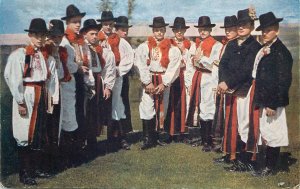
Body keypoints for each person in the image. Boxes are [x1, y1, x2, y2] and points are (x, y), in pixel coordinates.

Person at [4, 18, 57, 185]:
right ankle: (24, 173)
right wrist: (20, 101)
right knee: (24, 133)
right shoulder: (19, 55)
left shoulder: (41, 55)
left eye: (43, 36)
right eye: (38, 35)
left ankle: (35, 168)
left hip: (39, 94)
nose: (41, 39)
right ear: (31, 35)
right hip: (27, 94)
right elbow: (13, 78)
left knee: (37, 133)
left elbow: (46, 77)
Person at [218, 8, 261, 172]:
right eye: (239, 24)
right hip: (229, 89)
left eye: (245, 24)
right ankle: (232, 155)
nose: (241, 27)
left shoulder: (254, 46)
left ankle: (245, 159)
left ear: (251, 25)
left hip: (244, 89)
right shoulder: (231, 44)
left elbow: (246, 70)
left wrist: (227, 82)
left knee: (244, 124)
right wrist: (222, 81)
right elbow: (223, 64)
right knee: (230, 123)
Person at [251, 12, 293, 177]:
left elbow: (283, 81)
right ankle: (268, 164)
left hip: (273, 101)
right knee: (267, 132)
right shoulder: (266, 49)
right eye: (263, 31)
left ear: (277, 31)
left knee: (274, 132)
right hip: (264, 98)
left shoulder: (281, 52)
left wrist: (272, 104)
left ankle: (270, 167)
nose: (264, 33)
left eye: (268, 30)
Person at [135, 16, 181, 150]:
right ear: (153, 30)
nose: (159, 32)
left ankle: (158, 135)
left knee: (163, 107)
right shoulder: (145, 46)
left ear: (165, 30)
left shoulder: (172, 48)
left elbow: (174, 67)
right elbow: (140, 64)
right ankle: (148, 139)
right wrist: (147, 82)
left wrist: (165, 83)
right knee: (147, 106)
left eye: (161, 30)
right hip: (149, 78)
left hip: (162, 79)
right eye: (156, 30)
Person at [60, 4, 92, 167]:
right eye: (75, 22)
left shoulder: (80, 40)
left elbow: (85, 58)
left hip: (80, 79)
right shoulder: (65, 40)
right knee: (70, 115)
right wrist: (78, 68)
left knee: (81, 113)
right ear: (67, 23)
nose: (78, 25)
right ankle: (69, 154)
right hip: (69, 79)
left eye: (79, 21)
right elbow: (67, 63)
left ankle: (78, 150)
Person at [97, 13, 134, 151]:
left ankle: (119, 137)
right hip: (100, 77)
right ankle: (94, 140)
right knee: (100, 106)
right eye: (105, 24)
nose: (108, 27)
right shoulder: (96, 38)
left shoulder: (119, 40)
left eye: (111, 24)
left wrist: (119, 70)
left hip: (117, 76)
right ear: (102, 24)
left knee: (117, 105)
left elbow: (128, 57)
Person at [80, 19, 116, 156]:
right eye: (91, 34)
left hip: (98, 82)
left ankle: (93, 142)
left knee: (95, 113)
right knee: (85, 113)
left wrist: (108, 87)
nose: (94, 37)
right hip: (85, 82)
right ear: (85, 34)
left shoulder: (104, 51)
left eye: (96, 34)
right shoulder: (81, 49)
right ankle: (83, 142)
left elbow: (110, 70)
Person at [187, 16, 223, 152]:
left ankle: (210, 140)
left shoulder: (216, 45)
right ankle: (204, 139)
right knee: (200, 106)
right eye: (201, 29)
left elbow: (214, 62)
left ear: (210, 29)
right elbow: (192, 60)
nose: (202, 32)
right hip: (198, 75)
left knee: (208, 106)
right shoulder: (196, 44)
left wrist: (201, 58)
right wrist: (195, 60)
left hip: (209, 76)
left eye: (205, 29)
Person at [44, 19, 70, 173]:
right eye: (53, 36)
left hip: (58, 90)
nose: (56, 39)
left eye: (59, 36)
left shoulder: (61, 52)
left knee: (56, 127)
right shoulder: (44, 53)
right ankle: (45, 163)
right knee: (47, 127)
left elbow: (62, 74)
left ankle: (55, 161)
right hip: (46, 92)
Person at [212, 15, 238, 161]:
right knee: (222, 116)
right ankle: (224, 148)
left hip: (233, 86)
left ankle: (231, 152)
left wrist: (226, 82)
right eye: (226, 29)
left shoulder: (236, 45)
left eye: (231, 29)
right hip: (223, 84)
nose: (228, 32)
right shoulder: (227, 44)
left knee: (231, 119)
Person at [165, 17, 192, 142]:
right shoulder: (168, 43)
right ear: (174, 31)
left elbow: (191, 63)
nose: (179, 32)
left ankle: (182, 132)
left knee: (182, 104)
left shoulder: (190, 44)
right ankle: (170, 132)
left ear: (185, 31)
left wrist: (184, 51)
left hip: (183, 75)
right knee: (170, 103)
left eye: (181, 30)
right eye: (177, 30)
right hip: (171, 75)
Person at [113, 16, 134, 150]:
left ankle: (123, 136)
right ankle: (113, 135)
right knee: (111, 106)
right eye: (122, 30)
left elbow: (129, 60)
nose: (125, 32)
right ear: (117, 29)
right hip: (109, 76)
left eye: (126, 30)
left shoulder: (125, 44)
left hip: (121, 75)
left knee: (122, 104)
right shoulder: (109, 41)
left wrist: (119, 71)